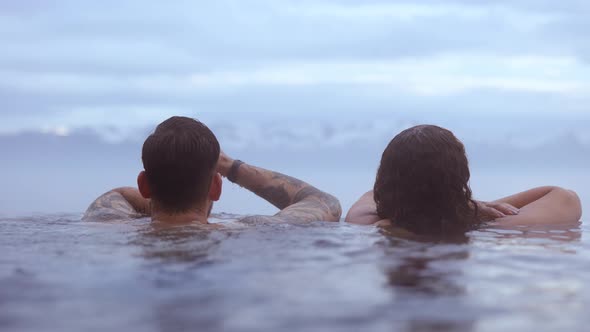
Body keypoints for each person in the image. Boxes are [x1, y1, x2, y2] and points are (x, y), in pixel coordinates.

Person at [83, 116, 341, 224]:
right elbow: (324, 202)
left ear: (144, 185)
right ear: (216, 187)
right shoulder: (252, 231)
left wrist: (168, 192)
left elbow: (119, 194)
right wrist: (231, 168)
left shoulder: (107, 222)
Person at [345, 125, 582, 235]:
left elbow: (372, 194)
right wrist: (471, 208)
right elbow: (565, 197)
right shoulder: (491, 229)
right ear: (459, 177)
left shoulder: (363, 222)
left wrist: (463, 207)